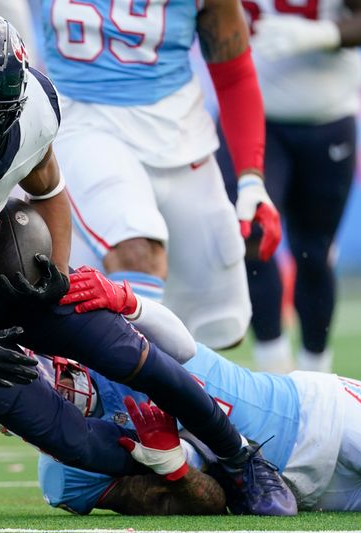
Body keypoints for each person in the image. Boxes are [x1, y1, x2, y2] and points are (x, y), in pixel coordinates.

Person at [0, 9, 295, 516]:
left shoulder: (34, 112)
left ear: (12, 108)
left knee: (134, 356)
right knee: (69, 439)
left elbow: (52, 191)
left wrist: (56, 271)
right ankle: (185, 467)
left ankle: (242, 459)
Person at [34, 268, 361, 514]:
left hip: (326, 417)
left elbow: (183, 347)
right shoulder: (64, 471)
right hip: (302, 496)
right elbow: (203, 499)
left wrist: (129, 301)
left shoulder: (106, 340)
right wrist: (172, 462)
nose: (57, 382)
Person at [40, 0, 281, 350]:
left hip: (180, 134)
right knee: (136, 250)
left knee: (221, 326)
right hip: (84, 121)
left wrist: (251, 179)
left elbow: (234, 72)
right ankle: (132, 399)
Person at [216, 0, 361, 372]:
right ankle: (273, 366)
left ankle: (316, 371)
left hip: (327, 116)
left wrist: (321, 34)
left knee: (314, 252)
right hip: (251, 118)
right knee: (250, 235)